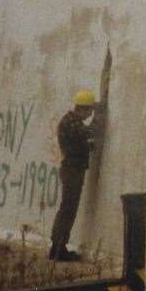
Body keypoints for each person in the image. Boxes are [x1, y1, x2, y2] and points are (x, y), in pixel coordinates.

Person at [50, 90, 98, 262]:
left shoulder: (69, 121)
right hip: (73, 170)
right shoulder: (73, 124)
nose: (90, 114)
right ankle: (58, 248)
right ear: (84, 109)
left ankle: (57, 247)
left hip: (71, 168)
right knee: (68, 209)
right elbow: (90, 134)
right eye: (90, 111)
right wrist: (99, 118)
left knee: (67, 208)